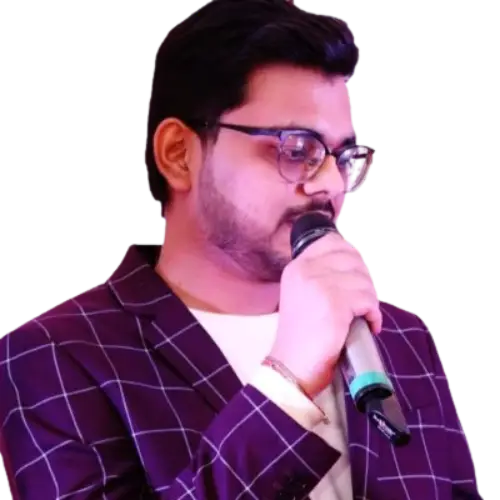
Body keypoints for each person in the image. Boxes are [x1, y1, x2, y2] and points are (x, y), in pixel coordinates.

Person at [0, 0, 480, 498]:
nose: (332, 185)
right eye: (296, 149)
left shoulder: (399, 337)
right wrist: (289, 383)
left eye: (343, 157)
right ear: (178, 154)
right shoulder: (57, 355)